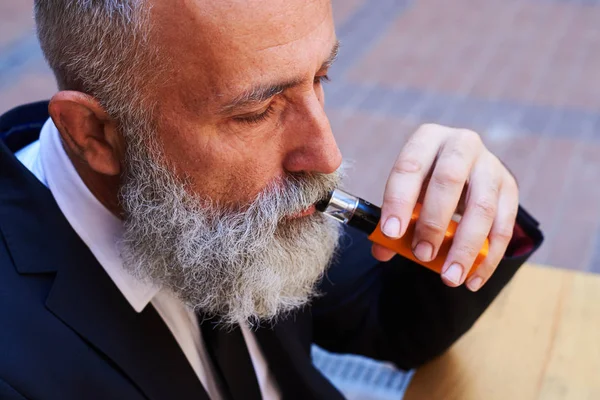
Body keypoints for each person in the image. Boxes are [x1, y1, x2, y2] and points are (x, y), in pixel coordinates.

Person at [0, 1, 543, 399]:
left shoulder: (227, 206)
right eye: (255, 113)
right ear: (95, 134)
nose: (327, 154)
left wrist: (473, 210)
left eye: (321, 77)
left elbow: (392, 321)